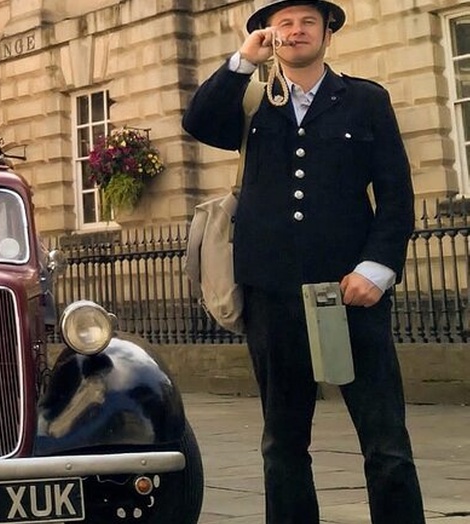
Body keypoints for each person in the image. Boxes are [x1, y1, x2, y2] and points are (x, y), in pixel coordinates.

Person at [181, 1, 425, 523]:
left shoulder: (364, 100)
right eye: (284, 24)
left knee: (386, 444)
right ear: (272, 35)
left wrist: (376, 270)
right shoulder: (252, 103)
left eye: (307, 22)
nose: (295, 32)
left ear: (327, 34)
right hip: (273, 293)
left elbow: (396, 197)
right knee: (283, 445)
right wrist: (244, 57)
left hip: (351, 292)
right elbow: (199, 121)